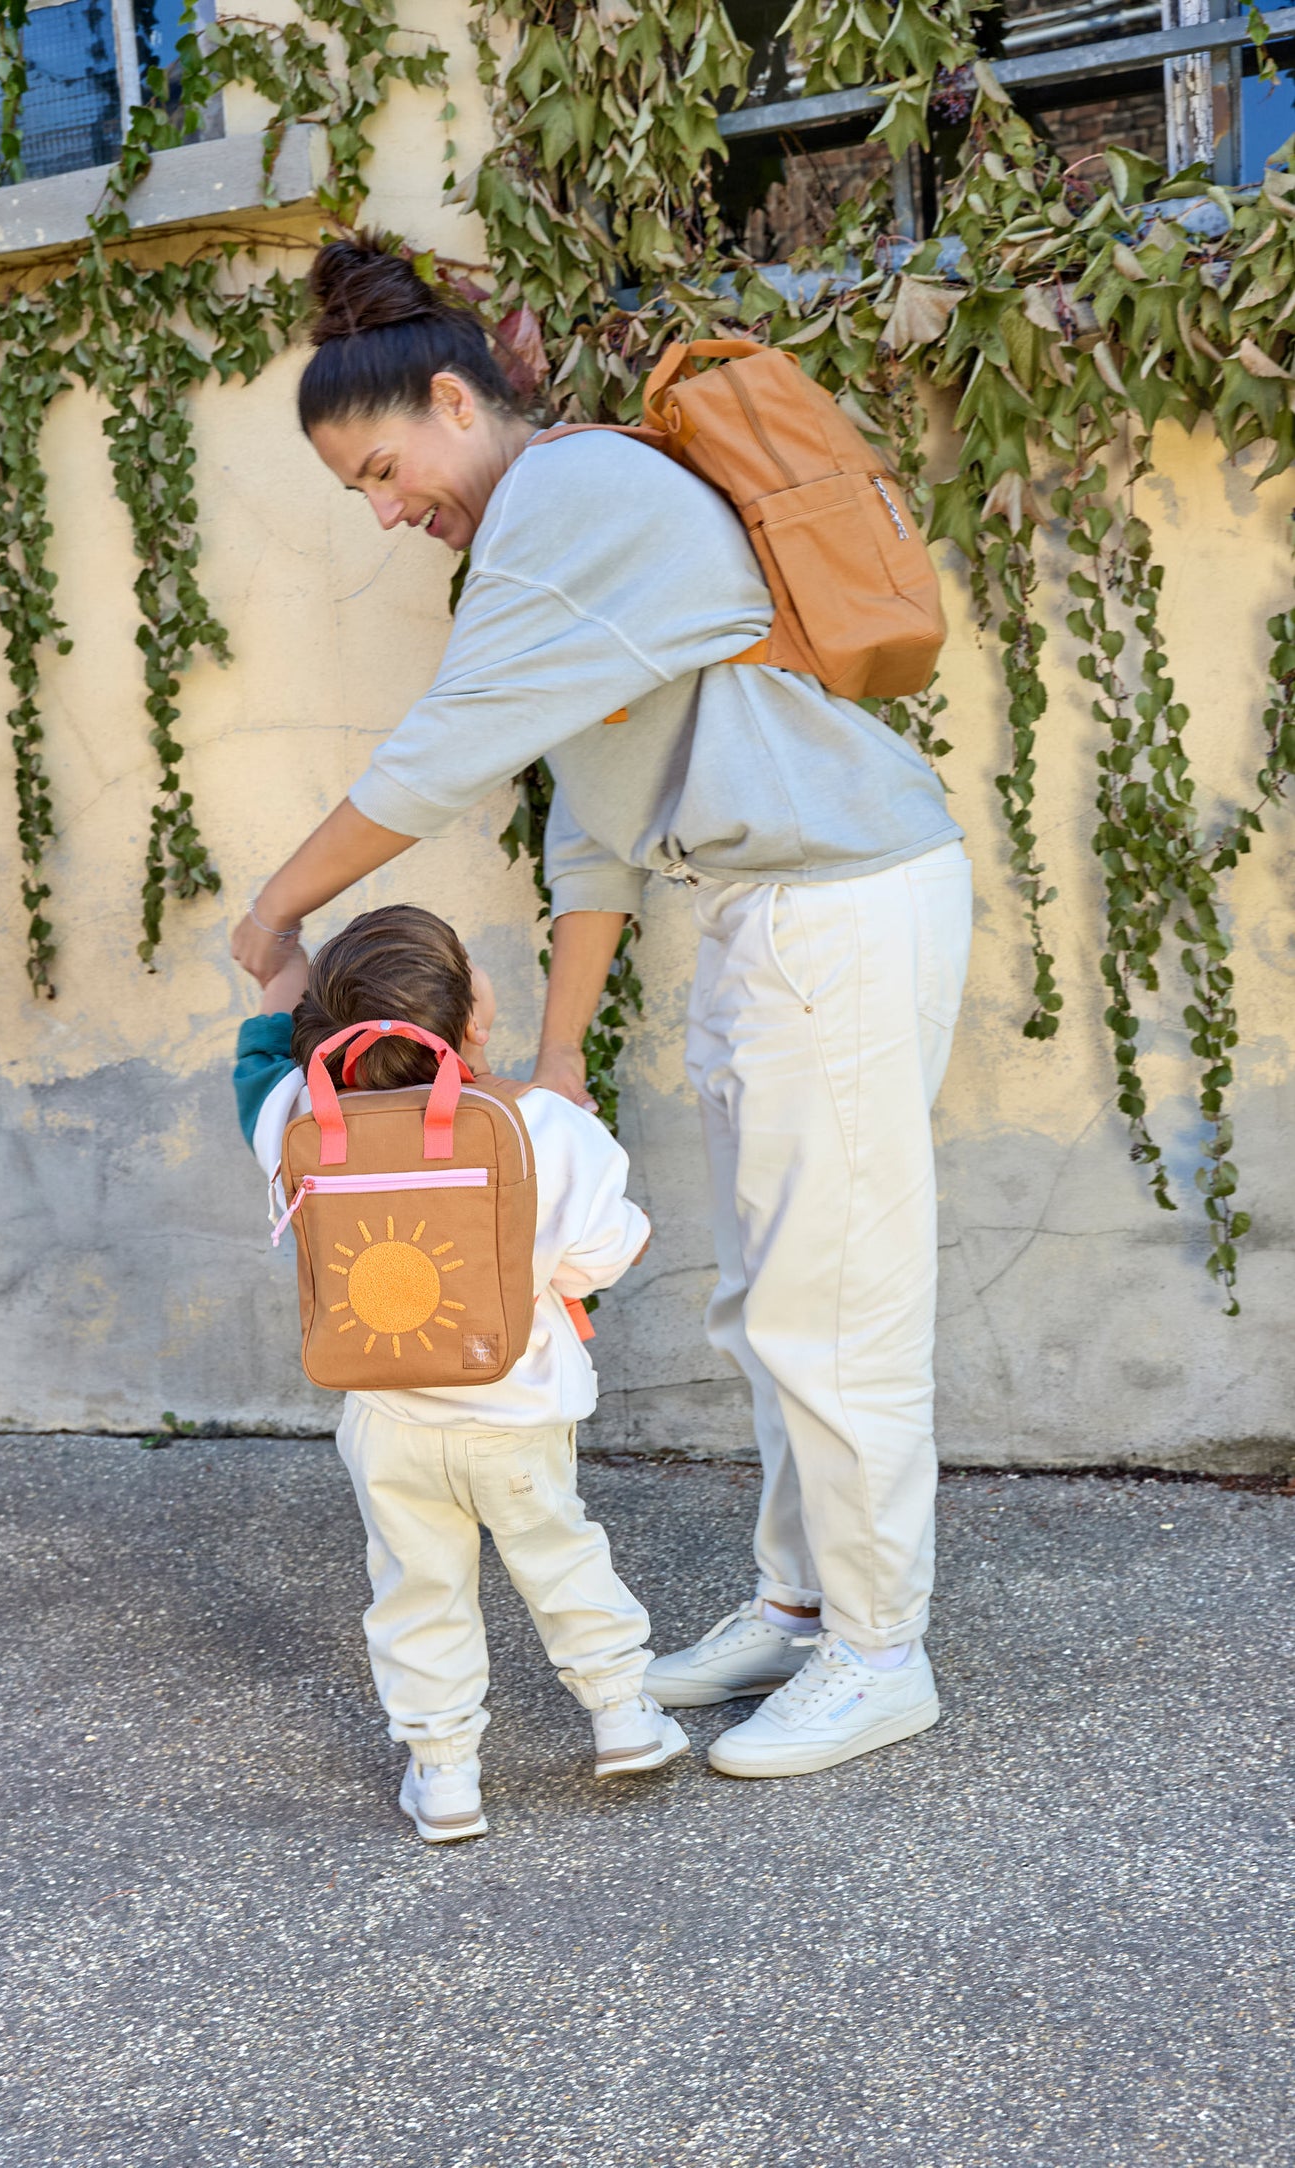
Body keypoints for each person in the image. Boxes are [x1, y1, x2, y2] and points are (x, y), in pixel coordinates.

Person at [231, 237, 973, 1781]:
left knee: (835, 1299)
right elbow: (595, 825)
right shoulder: (550, 543)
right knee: (771, 1298)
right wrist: (557, 1058)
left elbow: (440, 759)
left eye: (382, 470)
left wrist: (279, 908)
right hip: (772, 910)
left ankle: (880, 1649)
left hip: (836, 898)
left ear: (453, 399)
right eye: (356, 495)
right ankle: (799, 1601)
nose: (383, 514)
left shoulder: (566, 505)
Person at [234, 903, 688, 1841]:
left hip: (388, 1424)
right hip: (517, 1409)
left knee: (416, 1587)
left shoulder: (294, 1119)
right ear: (473, 1020)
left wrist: (279, 959)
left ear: (320, 1028)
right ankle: (621, 1715)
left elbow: (261, 1058)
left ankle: (444, 1777)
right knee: (561, 1556)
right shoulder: (544, 1126)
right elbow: (610, 1254)